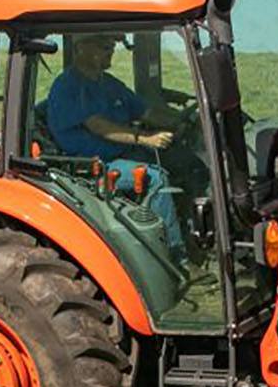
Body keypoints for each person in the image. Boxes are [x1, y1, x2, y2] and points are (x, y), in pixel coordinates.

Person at [42, 33, 186, 251]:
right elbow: (100, 127)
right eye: (104, 47)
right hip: (89, 166)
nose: (110, 51)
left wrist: (180, 120)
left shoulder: (108, 83)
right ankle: (175, 253)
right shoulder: (68, 87)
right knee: (156, 179)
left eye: (111, 47)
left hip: (121, 154)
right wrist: (145, 138)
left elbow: (145, 112)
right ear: (81, 48)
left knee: (179, 162)